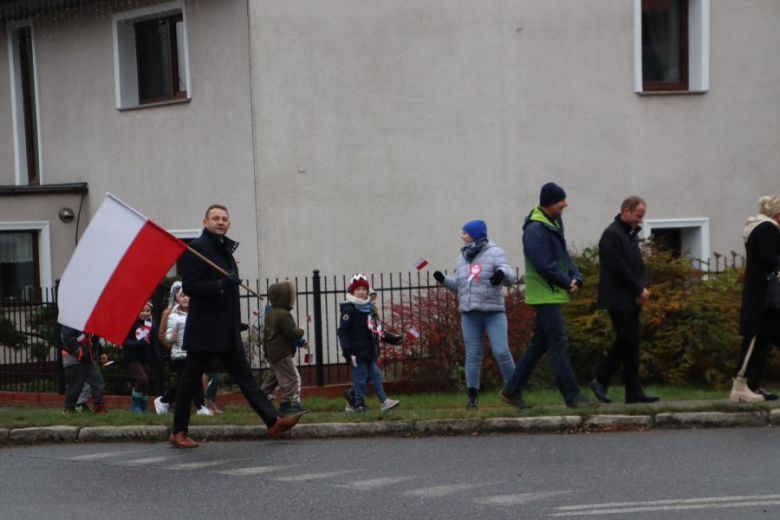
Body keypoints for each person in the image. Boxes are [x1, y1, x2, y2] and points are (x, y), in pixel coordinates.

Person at [169, 204, 301, 448]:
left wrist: (234, 320)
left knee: (244, 377)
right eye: (215, 218)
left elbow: (229, 294)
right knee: (190, 379)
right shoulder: (198, 248)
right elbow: (190, 287)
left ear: (228, 223)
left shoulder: (223, 249)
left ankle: (273, 422)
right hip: (205, 330)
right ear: (205, 222)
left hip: (225, 328)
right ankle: (178, 432)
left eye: (224, 219)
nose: (220, 222)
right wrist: (221, 284)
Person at [500, 182, 593, 409]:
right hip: (544, 292)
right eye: (561, 200)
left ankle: (512, 390)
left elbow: (563, 256)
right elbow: (544, 265)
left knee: (540, 343)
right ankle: (572, 396)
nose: (565, 204)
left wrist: (576, 276)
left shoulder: (554, 222)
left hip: (552, 290)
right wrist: (566, 282)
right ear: (550, 202)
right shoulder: (535, 229)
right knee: (558, 343)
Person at [432, 219, 517, 409]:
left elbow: (510, 275)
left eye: (464, 232)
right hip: (470, 314)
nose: (461, 235)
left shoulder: (495, 252)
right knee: (472, 356)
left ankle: (513, 390)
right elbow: (460, 286)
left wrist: (502, 274)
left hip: (493, 312)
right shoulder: (463, 257)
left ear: (474, 234)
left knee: (501, 352)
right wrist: (443, 280)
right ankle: (472, 397)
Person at [589, 196, 659, 404]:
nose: (641, 220)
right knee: (626, 339)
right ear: (626, 212)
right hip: (617, 297)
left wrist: (640, 289)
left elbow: (638, 266)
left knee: (633, 342)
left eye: (642, 216)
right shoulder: (612, 234)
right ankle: (601, 379)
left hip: (631, 296)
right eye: (638, 215)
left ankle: (633, 390)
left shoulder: (631, 235)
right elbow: (618, 268)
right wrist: (638, 289)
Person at [730, 195, 780, 403]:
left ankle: (750, 385)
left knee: (762, 340)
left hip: (763, 295)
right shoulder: (767, 228)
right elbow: (770, 259)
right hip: (762, 296)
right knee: (754, 340)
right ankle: (741, 385)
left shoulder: (761, 228)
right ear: (778, 214)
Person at [338, 274, 402, 412]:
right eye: (358, 289)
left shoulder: (369, 310)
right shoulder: (349, 309)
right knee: (361, 376)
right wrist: (346, 350)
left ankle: (383, 401)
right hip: (356, 351)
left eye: (364, 289)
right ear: (352, 292)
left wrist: (393, 339)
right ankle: (358, 403)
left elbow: (377, 330)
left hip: (369, 350)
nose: (361, 292)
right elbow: (343, 331)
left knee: (376, 374)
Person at [155, 289, 212, 416]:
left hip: (195, 352)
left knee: (196, 379)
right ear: (178, 298)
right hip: (180, 354)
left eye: (188, 296)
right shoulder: (174, 315)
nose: (186, 298)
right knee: (184, 382)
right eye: (182, 296)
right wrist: (172, 337)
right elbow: (168, 335)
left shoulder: (197, 313)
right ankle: (163, 400)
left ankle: (200, 407)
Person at [260, 281, 310, 416]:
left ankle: (259, 399)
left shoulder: (271, 313)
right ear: (284, 297)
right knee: (291, 378)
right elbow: (291, 333)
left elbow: (266, 335)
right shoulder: (283, 314)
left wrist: (266, 352)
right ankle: (286, 404)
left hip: (273, 353)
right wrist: (301, 330)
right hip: (282, 354)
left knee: (274, 378)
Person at [123, 301, 161, 413]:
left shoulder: (151, 325)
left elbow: (153, 343)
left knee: (146, 383)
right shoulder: (131, 323)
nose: (145, 313)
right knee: (142, 379)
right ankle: (135, 404)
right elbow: (125, 342)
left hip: (145, 357)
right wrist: (138, 343)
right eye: (142, 311)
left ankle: (143, 406)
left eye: (148, 311)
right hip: (133, 357)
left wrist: (158, 357)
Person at [60, 325, 108, 414]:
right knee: (75, 385)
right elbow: (68, 337)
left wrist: (100, 352)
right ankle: (69, 408)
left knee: (97, 380)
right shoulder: (70, 321)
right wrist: (77, 351)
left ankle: (98, 406)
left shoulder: (90, 321)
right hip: (73, 357)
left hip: (87, 357)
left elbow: (93, 338)